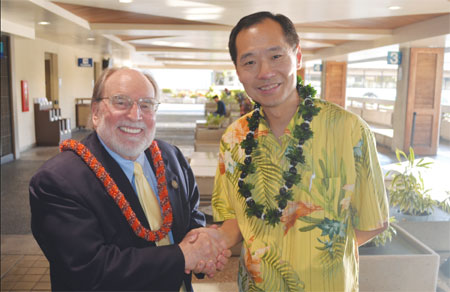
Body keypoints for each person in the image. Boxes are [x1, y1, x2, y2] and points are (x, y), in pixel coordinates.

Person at [209, 12, 389, 291]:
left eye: (276, 56)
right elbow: (233, 219)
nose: (264, 72)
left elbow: (372, 222)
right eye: (249, 62)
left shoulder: (349, 130)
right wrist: (210, 243)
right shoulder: (234, 138)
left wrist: (314, 255)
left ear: (298, 56)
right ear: (238, 70)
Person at [29, 67, 231, 291]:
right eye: (121, 102)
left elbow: (191, 214)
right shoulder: (58, 181)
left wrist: (201, 247)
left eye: (146, 104)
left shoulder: (171, 157)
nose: (135, 115)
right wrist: (184, 256)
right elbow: (88, 270)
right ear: (95, 112)